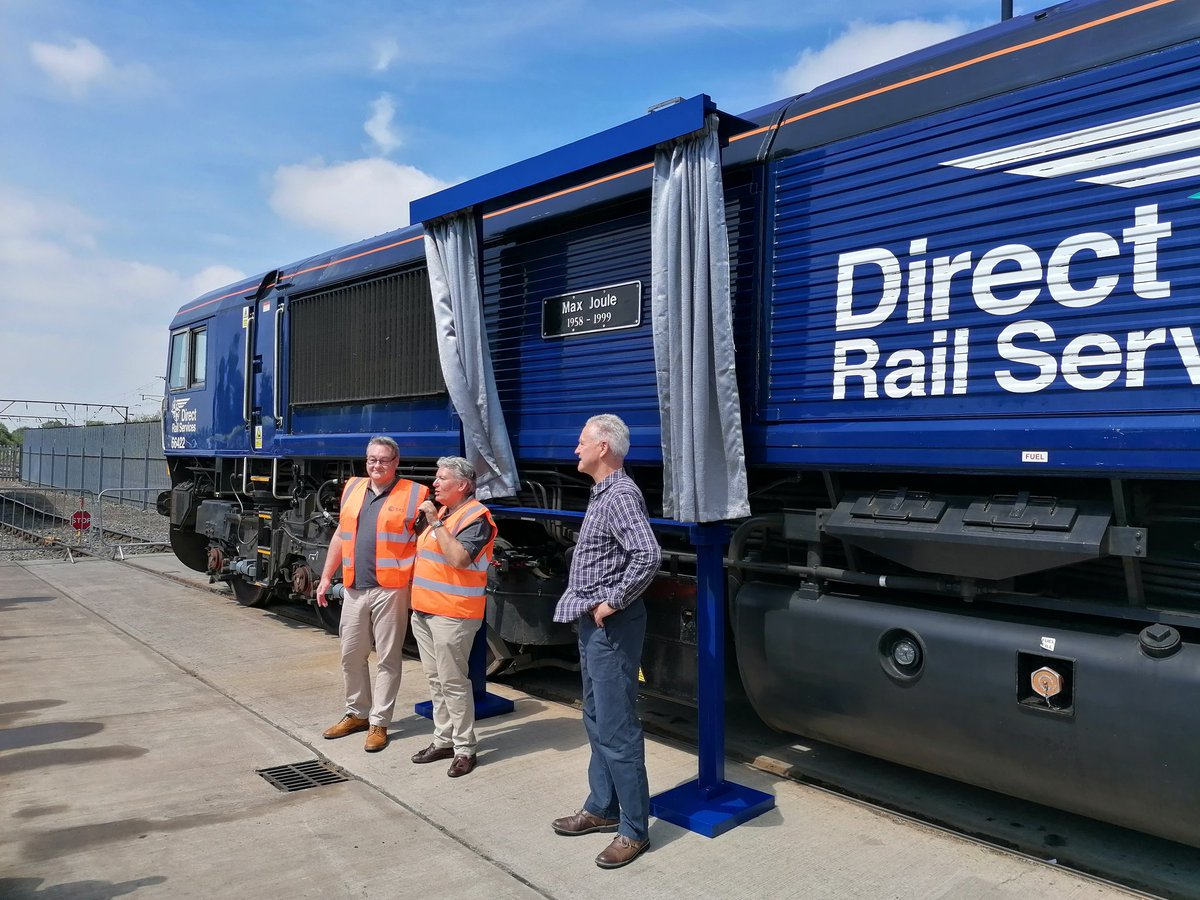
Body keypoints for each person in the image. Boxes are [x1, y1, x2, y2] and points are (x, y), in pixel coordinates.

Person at [550, 414, 662, 869]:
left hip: (610, 628)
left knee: (616, 728)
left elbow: (648, 554)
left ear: (603, 448)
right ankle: (601, 807)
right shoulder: (604, 493)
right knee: (596, 719)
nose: (576, 450)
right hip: (594, 627)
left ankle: (634, 829)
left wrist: (612, 601)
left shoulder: (620, 494)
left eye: (581, 443)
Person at [316, 436, 428, 753]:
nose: (376, 465)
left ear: (396, 463)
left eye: (383, 460)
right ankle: (357, 713)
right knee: (351, 654)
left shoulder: (416, 494)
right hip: (354, 586)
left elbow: (424, 544)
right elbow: (341, 534)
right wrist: (326, 577)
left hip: (391, 590)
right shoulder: (353, 488)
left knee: (388, 660)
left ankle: (379, 722)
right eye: (371, 459)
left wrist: (416, 586)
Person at [408, 456, 497, 778]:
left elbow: (459, 558)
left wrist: (434, 522)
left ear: (462, 485)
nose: (434, 483)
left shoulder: (477, 518)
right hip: (426, 610)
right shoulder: (446, 512)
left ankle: (464, 748)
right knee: (436, 680)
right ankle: (443, 740)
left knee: (453, 683)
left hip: (454, 614)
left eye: (442, 478)